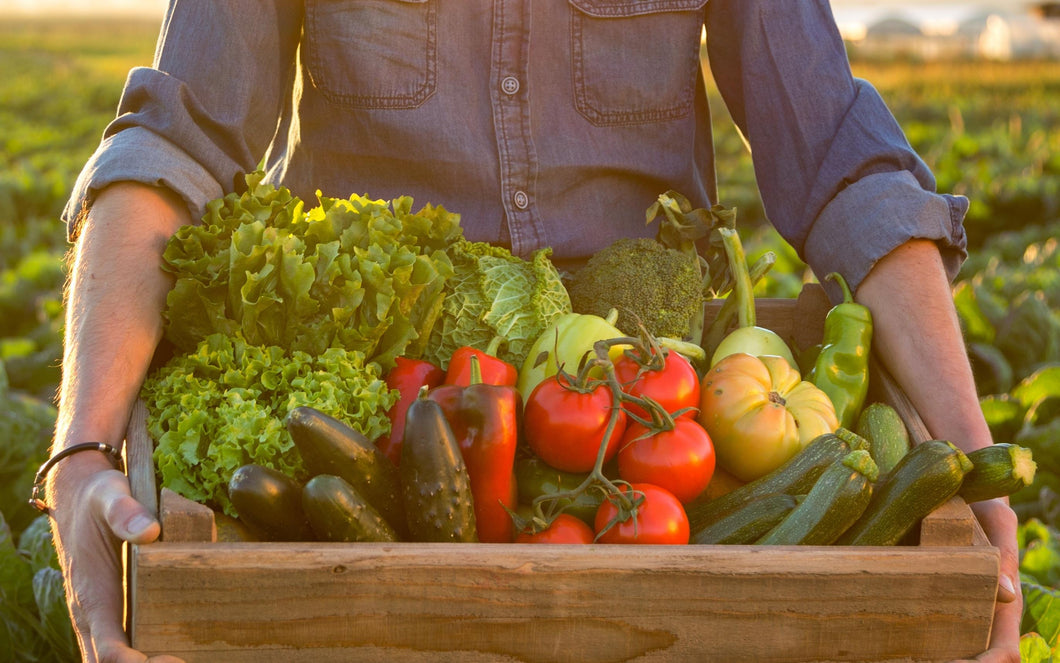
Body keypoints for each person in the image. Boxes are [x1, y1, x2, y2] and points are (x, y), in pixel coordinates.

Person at [44, 2, 1018, 662]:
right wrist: (82, 449)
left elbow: (843, 160)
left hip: (645, 408)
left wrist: (970, 460)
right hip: (371, 408)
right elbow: (173, 139)